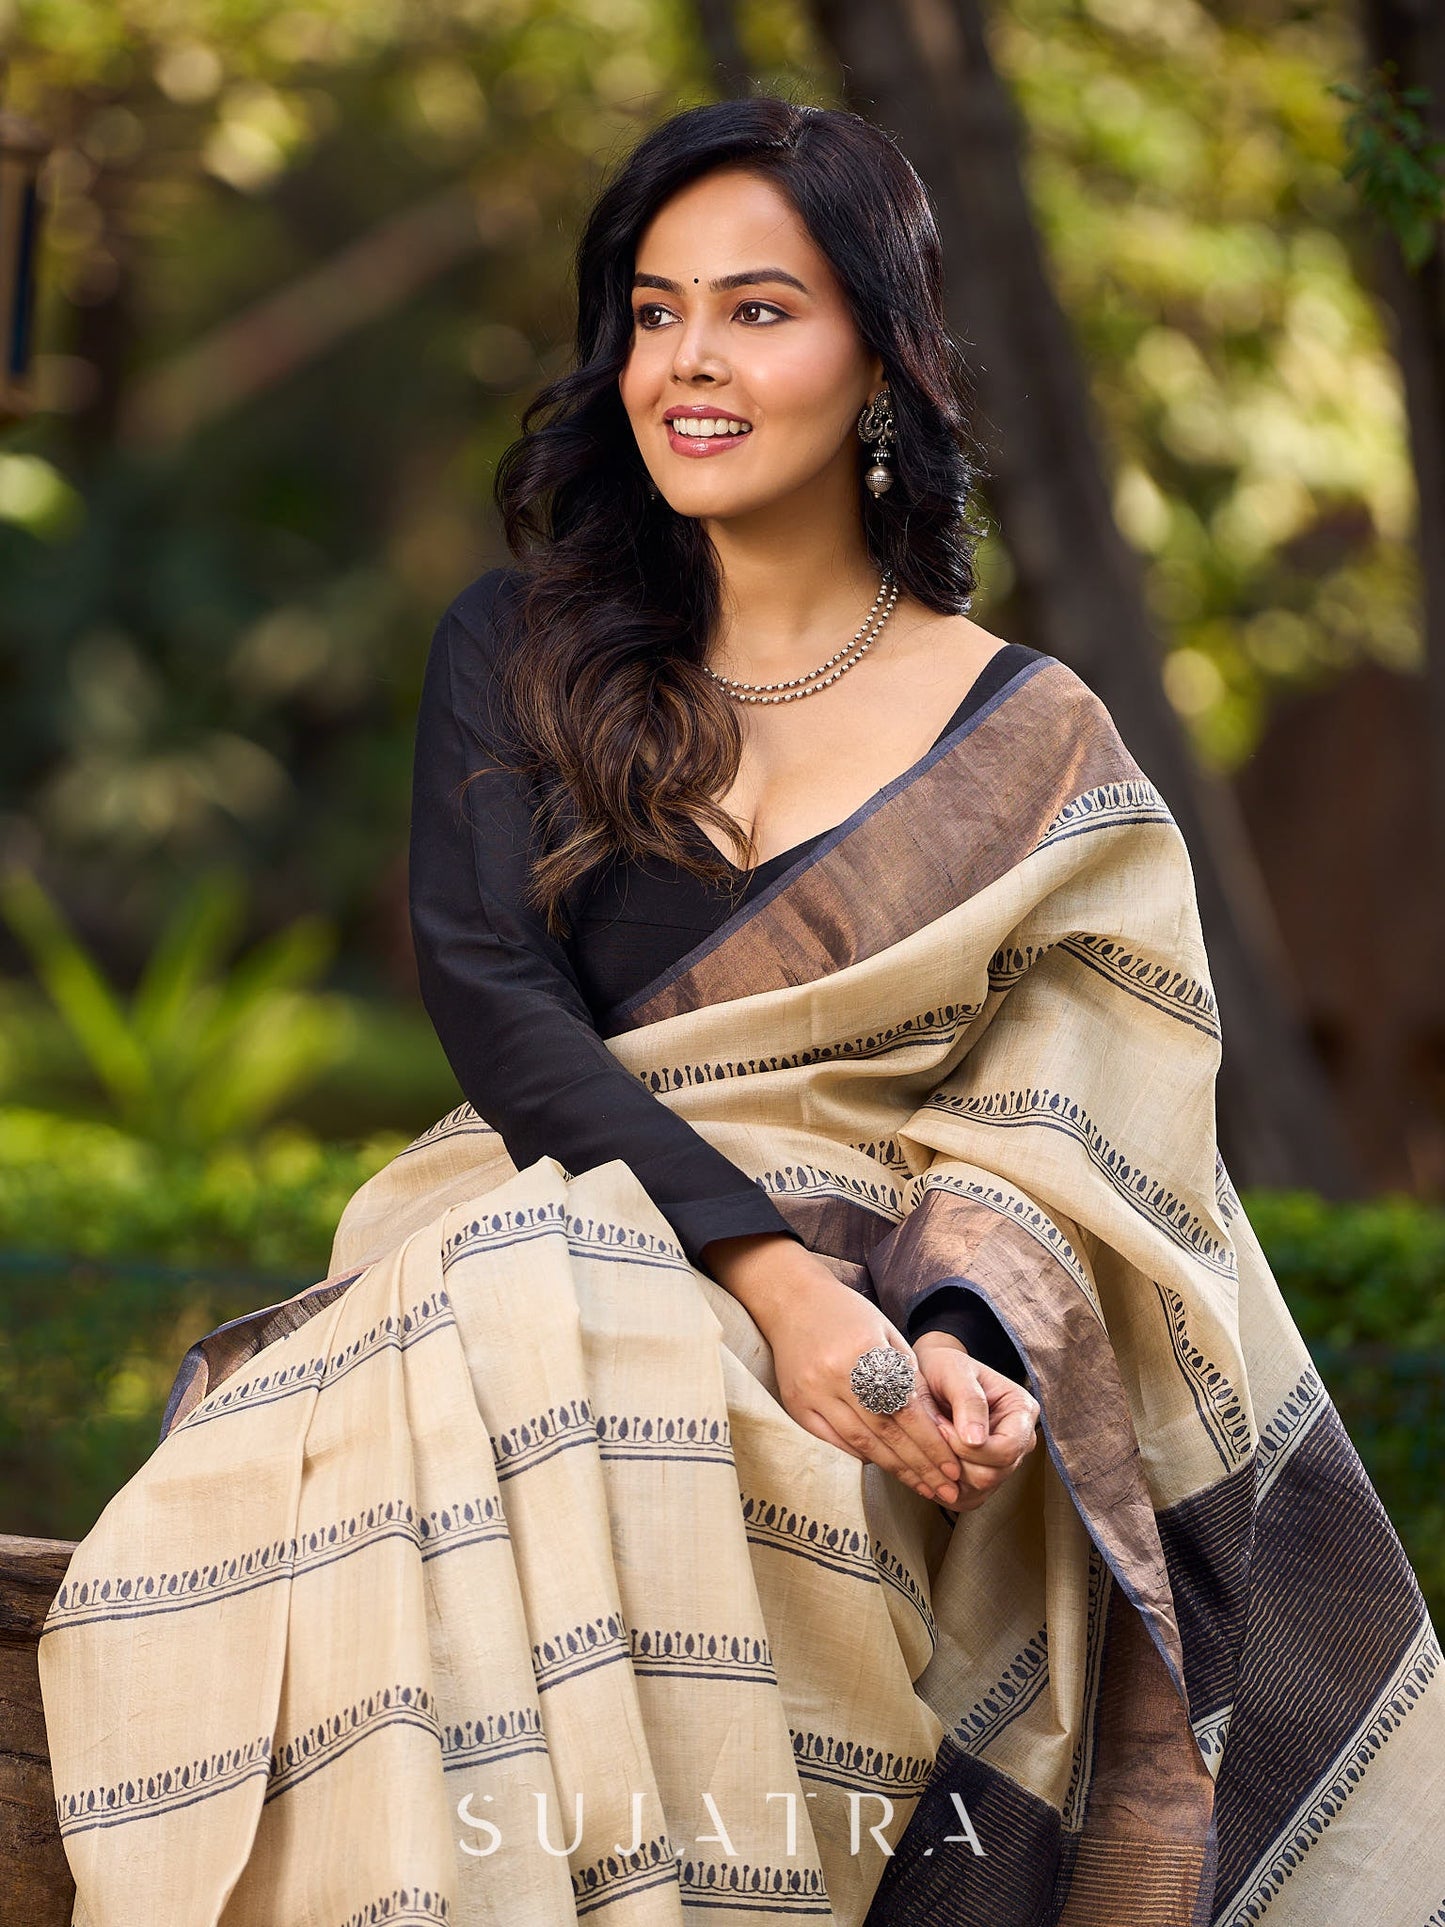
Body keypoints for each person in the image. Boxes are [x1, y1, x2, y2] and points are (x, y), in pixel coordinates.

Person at [37, 96, 1445, 1927]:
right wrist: (765, 1287)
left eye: (757, 310)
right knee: (551, 1318)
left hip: (903, 1320)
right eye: (651, 308)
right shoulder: (524, 650)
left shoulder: (1032, 740)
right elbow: (493, 994)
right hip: (552, 1231)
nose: (686, 362)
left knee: (699, 1385)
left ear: (882, 358)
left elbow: (1070, 1118)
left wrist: (952, 1346)